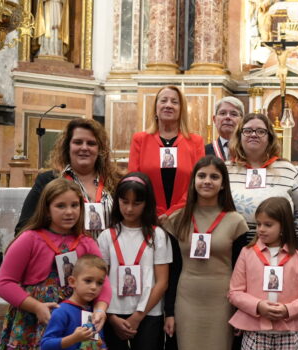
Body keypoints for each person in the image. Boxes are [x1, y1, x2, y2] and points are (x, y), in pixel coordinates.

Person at [0, 178, 111, 349]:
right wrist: (36, 307)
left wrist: (100, 309)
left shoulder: (87, 243)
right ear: (47, 209)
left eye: (74, 205)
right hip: (33, 320)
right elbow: (4, 283)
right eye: (60, 206)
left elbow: (104, 281)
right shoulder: (30, 239)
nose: (69, 212)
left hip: (73, 320)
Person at [162, 156, 249, 350]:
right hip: (186, 301)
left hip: (223, 302)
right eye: (201, 176)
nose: (207, 181)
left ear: (223, 184)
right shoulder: (177, 220)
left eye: (214, 177)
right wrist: (169, 312)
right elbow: (173, 269)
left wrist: (241, 311)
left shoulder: (236, 222)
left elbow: (241, 272)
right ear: (193, 181)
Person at [97, 171, 173, 350]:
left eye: (136, 203)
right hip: (113, 313)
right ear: (118, 202)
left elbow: (162, 282)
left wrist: (138, 315)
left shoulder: (158, 235)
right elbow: (101, 280)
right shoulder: (106, 236)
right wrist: (111, 317)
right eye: (125, 202)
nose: (129, 209)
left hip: (148, 313)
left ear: (146, 204)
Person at [229, 197, 298, 350]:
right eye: (258, 224)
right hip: (255, 332)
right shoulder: (247, 253)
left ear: (283, 227)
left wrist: (288, 310)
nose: (261, 229)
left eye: (268, 225)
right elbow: (234, 293)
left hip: (289, 332)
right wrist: (258, 306)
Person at [16, 118, 121, 237]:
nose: (84, 148)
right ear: (68, 146)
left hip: (108, 255)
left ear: (100, 149)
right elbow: (24, 227)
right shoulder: (48, 180)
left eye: (91, 143)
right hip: (65, 253)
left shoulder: (115, 181)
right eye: (78, 142)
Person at [228, 113, 298, 241]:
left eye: (261, 131)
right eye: (247, 130)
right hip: (233, 247)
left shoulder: (287, 170)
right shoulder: (226, 169)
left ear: (270, 138)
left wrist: (297, 243)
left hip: (277, 249)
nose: (254, 134)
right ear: (239, 136)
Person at [128, 85, 205, 216]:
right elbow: (134, 181)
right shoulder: (140, 139)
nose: (168, 105)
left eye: (174, 102)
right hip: (148, 215)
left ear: (181, 110)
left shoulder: (195, 142)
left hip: (184, 216)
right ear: (155, 108)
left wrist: (173, 213)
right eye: (163, 100)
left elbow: (198, 182)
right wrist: (155, 212)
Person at [40, 255, 109, 350]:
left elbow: (99, 340)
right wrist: (73, 338)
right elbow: (46, 345)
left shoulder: (95, 311)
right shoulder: (62, 311)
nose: (94, 287)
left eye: (99, 283)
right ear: (72, 282)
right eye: (88, 281)